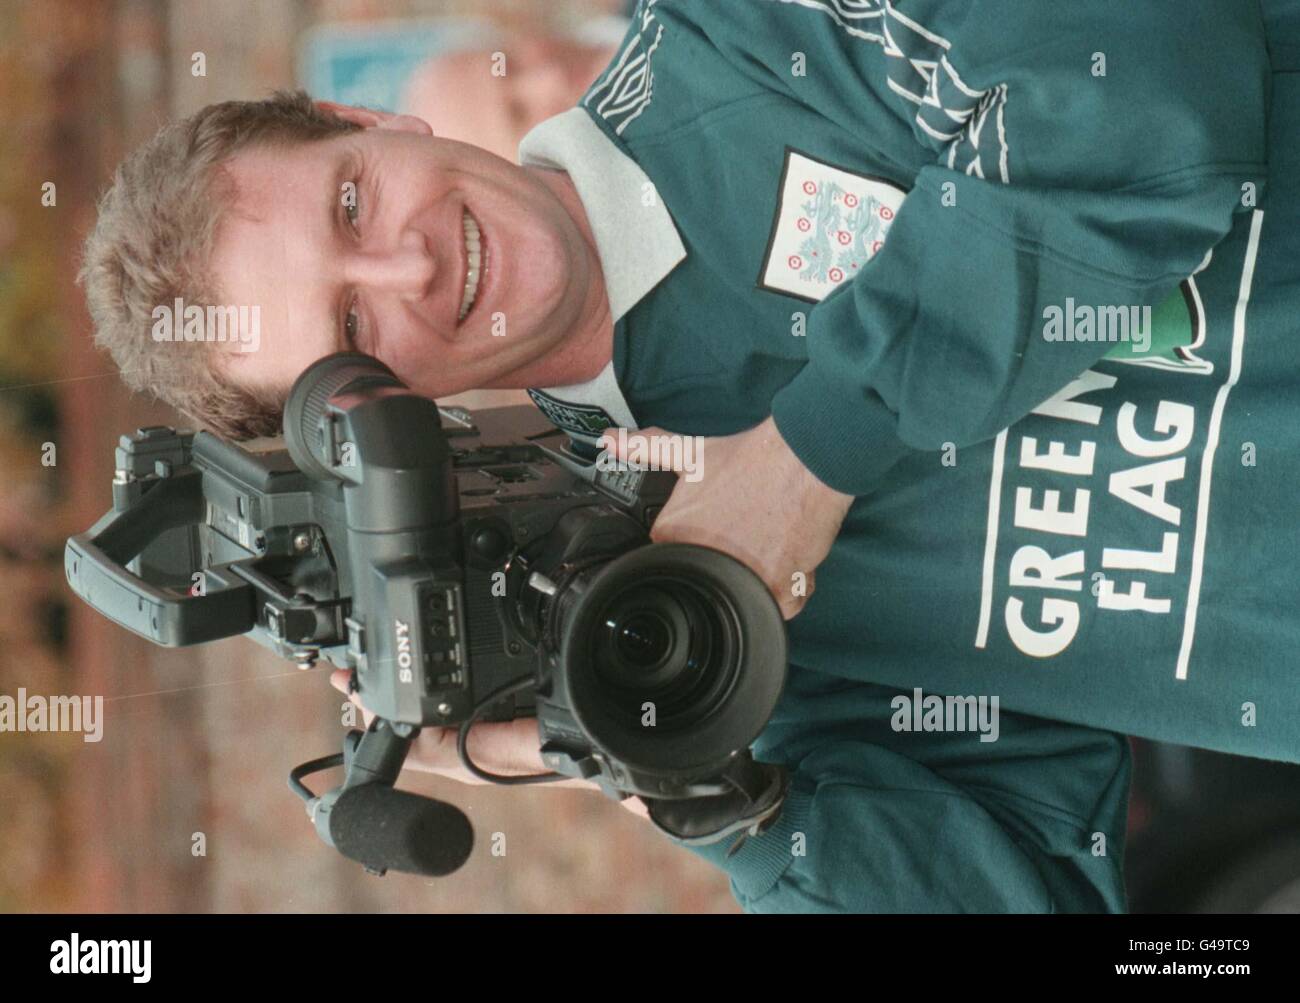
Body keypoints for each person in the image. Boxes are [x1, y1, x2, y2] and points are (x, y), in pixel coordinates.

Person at [79, 0, 1300, 912]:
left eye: (351, 202)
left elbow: (1138, 82)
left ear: (370, 119)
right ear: (368, 416)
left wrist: (814, 450)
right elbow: (1023, 883)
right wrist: (691, 781)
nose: (412, 266)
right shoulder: (662, 566)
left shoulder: (746, 33)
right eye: (352, 330)